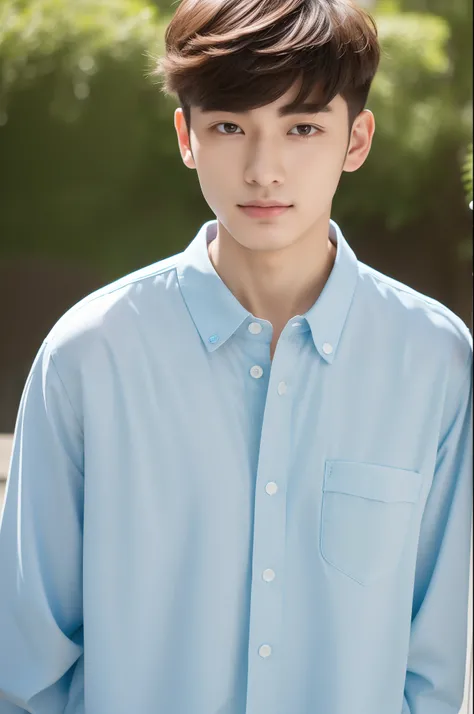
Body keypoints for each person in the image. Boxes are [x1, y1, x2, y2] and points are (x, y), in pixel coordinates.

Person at [0, 0, 472, 711]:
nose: (264, 169)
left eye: (304, 127)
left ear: (358, 138)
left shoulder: (434, 361)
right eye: (230, 126)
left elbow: (432, 675)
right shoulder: (88, 357)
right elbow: (26, 667)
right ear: (187, 136)